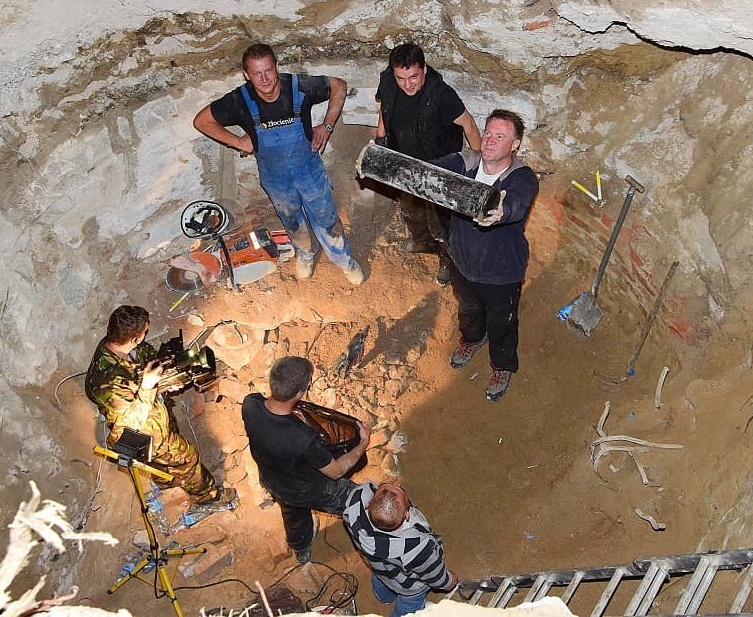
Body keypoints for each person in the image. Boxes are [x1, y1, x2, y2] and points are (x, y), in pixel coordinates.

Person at [193, 43, 365, 286]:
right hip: (275, 178)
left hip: (309, 170)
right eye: (256, 73)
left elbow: (339, 86)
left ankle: (344, 260)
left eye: (268, 71)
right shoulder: (239, 100)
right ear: (246, 74)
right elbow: (202, 121)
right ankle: (305, 253)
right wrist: (238, 142)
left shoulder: (298, 86)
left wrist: (327, 126)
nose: (264, 79)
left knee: (326, 217)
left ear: (277, 67)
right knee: (292, 220)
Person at [432, 110, 538, 402]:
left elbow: (517, 201)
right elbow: (432, 171)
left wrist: (501, 211)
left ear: (515, 144)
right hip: (462, 260)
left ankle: (502, 365)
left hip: (501, 271)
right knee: (468, 309)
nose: (489, 140)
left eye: (500, 136)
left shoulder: (521, 177)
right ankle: (472, 339)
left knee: (503, 322)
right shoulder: (466, 161)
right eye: (488, 133)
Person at [85, 305, 234, 504]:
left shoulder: (122, 344)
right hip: (143, 431)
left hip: (151, 406)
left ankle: (165, 479)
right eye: (144, 331)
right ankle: (207, 497)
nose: (146, 333)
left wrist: (165, 381)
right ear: (134, 338)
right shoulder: (107, 382)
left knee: (169, 442)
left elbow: (147, 362)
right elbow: (132, 422)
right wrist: (148, 386)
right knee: (187, 457)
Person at [242, 356, 370, 563]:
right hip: (306, 489)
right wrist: (363, 443)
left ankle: (300, 548)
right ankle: (374, 542)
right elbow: (336, 471)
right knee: (357, 500)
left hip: (272, 480)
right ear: (299, 393)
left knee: (292, 512)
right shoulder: (302, 438)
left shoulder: (250, 404)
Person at [375, 43, 481, 287]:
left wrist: (478, 166)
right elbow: (384, 108)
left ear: (423, 69)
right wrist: (380, 140)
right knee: (411, 211)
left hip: (437, 170)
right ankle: (422, 243)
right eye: (401, 78)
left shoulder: (441, 95)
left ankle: (447, 260)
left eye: (413, 77)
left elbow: (469, 124)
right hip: (405, 164)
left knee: (442, 222)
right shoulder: (388, 82)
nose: (407, 84)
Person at [343, 480, 457, 617]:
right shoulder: (417, 547)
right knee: (408, 605)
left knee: (380, 580)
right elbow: (434, 574)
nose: (396, 484)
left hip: (380, 569)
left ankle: (384, 597)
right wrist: (449, 582)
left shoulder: (354, 506)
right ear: (407, 515)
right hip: (408, 587)